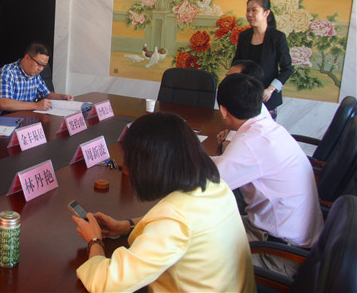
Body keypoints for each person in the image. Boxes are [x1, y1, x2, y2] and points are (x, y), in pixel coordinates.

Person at [71, 112, 255, 293]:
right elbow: (183, 225)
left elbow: (105, 283)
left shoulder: (174, 220)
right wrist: (126, 226)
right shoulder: (215, 185)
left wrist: (94, 241)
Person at [212, 73, 323, 275]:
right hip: (288, 240)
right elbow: (222, 166)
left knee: (196, 252)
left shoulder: (250, 142)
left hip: (279, 254)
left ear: (223, 111)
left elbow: (207, 183)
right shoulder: (266, 129)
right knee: (206, 226)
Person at [232, 0, 293, 119]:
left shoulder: (277, 37)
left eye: (254, 10)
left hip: (267, 98)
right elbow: (236, 63)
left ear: (266, 13)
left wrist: (270, 89)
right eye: (248, 10)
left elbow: (287, 69)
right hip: (245, 97)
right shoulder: (244, 36)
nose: (250, 14)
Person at [0, 41, 73, 116]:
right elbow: (4, 104)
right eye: (39, 64)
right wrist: (36, 105)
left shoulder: (35, 75)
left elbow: (47, 94)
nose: (41, 69)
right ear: (27, 58)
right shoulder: (8, 72)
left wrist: (62, 97)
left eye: (44, 66)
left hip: (22, 118)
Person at [217, 59, 271, 150]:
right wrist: (228, 132)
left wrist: (226, 140)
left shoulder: (248, 111)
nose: (226, 81)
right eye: (227, 76)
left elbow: (228, 149)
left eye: (232, 77)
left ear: (247, 82)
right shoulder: (249, 103)